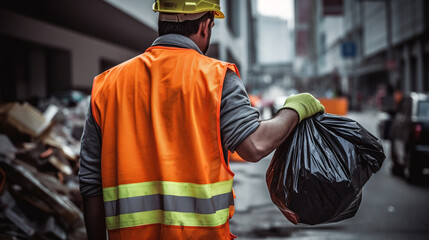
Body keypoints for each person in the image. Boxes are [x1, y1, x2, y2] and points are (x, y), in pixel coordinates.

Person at [78, 0, 325, 239]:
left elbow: (91, 182)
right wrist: (294, 110)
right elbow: (254, 145)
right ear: (206, 25)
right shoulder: (217, 78)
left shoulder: (107, 85)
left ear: (161, 19)